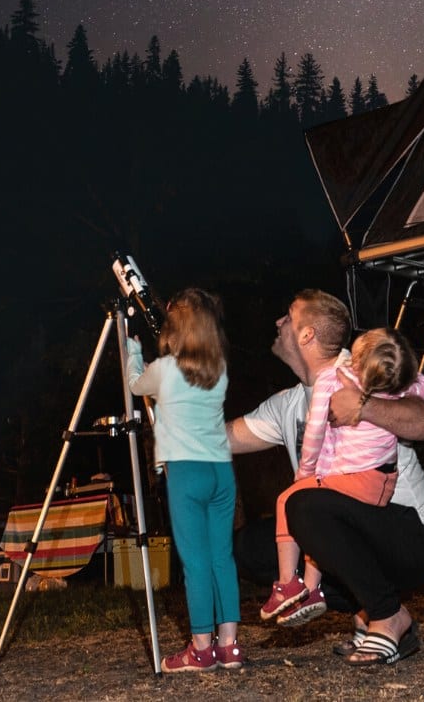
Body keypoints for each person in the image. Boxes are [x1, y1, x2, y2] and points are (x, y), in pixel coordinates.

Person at [228, 289, 424, 666]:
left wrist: (364, 405)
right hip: (343, 521)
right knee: (252, 547)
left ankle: (389, 615)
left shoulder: (360, 370)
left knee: (303, 503)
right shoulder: (288, 403)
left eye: (287, 318)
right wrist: (175, 423)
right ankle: (359, 606)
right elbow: (224, 437)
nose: (277, 323)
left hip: (410, 535)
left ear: (307, 335)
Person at [262, 326, 424, 626]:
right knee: (305, 520)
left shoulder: (334, 378)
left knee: (290, 500)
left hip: (367, 490)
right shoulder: (392, 381)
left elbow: (315, 432)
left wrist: (304, 472)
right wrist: (409, 381)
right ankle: (313, 588)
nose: (279, 323)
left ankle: (290, 583)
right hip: (378, 484)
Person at [126, 288, 244, 673]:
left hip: (187, 474)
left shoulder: (164, 370)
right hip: (221, 473)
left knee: (195, 563)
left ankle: (201, 649)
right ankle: (229, 647)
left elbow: (135, 384)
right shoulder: (219, 369)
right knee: (221, 558)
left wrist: (132, 353)